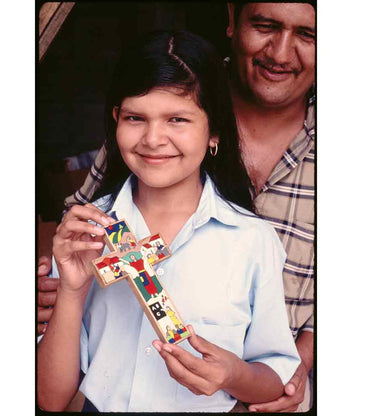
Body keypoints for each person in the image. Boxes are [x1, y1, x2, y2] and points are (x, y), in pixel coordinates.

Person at [38, 2, 315, 412]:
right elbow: (50, 398)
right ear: (115, 121)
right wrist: (72, 291)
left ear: (214, 132)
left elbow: (275, 376)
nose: (153, 139)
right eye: (135, 118)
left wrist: (233, 375)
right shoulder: (86, 235)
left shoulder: (252, 240)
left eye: (177, 120)